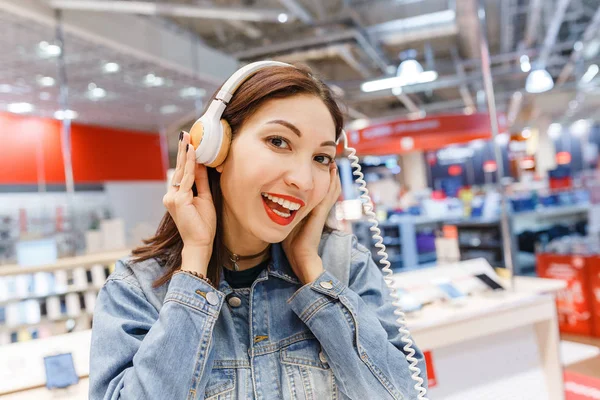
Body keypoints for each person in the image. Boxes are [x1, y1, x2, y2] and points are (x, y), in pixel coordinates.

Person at [89, 64, 427, 399]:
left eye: (321, 158)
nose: (304, 180)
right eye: (278, 141)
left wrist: (311, 268)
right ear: (216, 148)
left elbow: (404, 394)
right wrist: (194, 264)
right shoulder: (139, 289)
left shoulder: (344, 265)